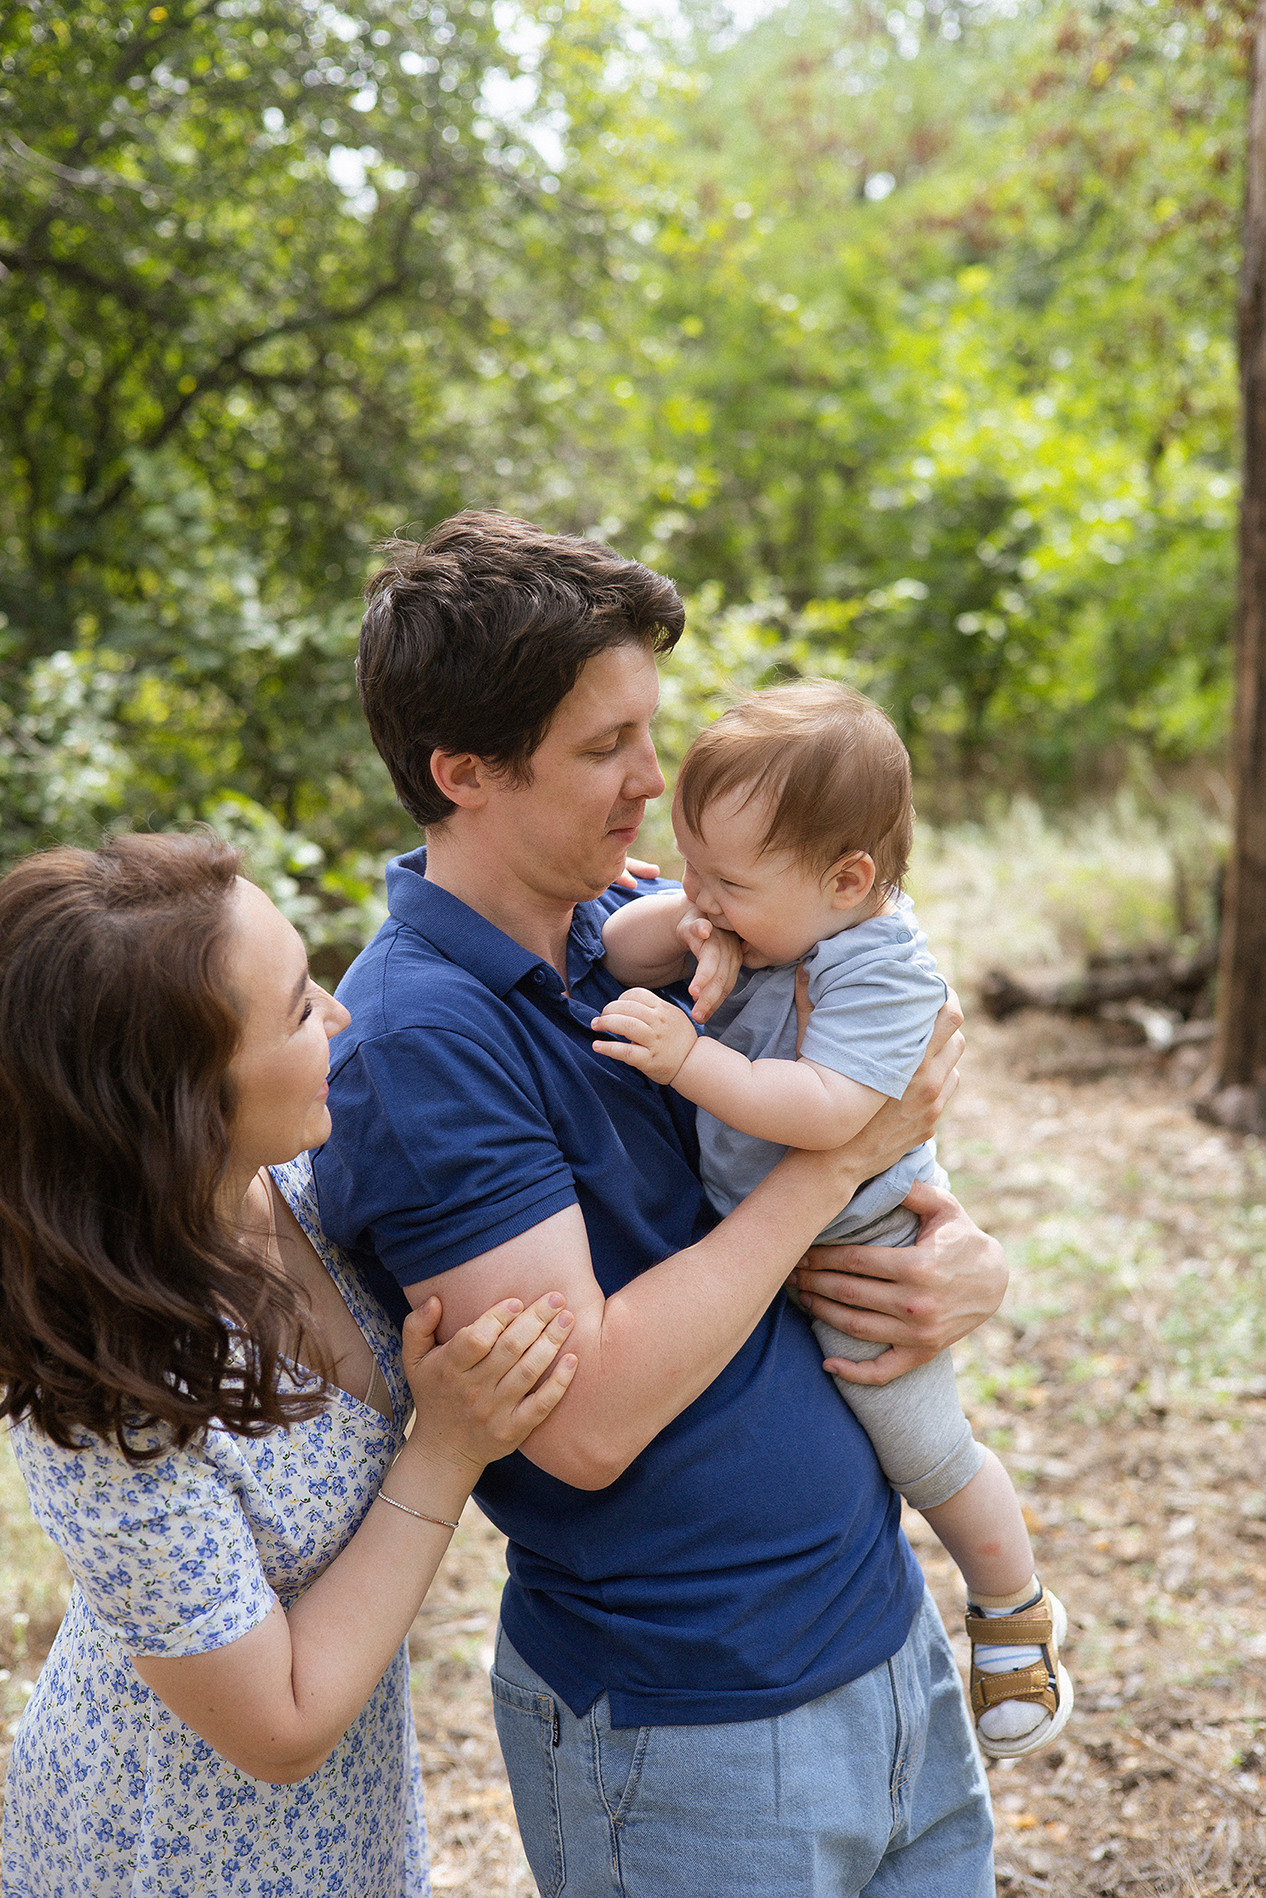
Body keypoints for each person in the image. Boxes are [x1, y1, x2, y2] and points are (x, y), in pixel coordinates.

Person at [314, 509, 1007, 1898]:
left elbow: (827, 1148)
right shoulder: (420, 1041)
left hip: (878, 1642)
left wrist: (952, 1254)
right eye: (600, 748)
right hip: (693, 1727)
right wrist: (825, 1169)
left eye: (647, 728)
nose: (650, 778)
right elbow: (580, 1418)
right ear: (462, 773)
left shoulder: (628, 920)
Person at [0, 831, 578, 1898]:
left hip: (345, 1822)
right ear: (179, 1099)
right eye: (302, 1007)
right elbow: (282, 1724)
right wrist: (444, 1447)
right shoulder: (103, 1394)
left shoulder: (302, 1176)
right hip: (172, 1849)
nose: (343, 1016)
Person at [595, 678, 1073, 1760]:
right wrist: (692, 916)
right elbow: (622, 951)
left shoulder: (884, 966)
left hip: (863, 1243)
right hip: (765, 1237)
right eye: (691, 862)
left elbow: (830, 1114)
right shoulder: (760, 920)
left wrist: (690, 1057)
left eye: (729, 878)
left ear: (847, 878)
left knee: (919, 1444)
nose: (703, 893)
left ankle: (1012, 1606)